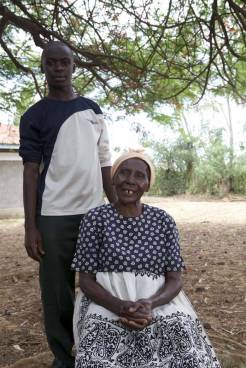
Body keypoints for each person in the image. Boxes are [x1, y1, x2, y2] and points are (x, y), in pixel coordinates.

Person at [71, 150, 221, 368]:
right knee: (97, 351)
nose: (130, 181)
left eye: (140, 175)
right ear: (113, 178)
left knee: (182, 334)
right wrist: (120, 306)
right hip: (106, 299)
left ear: (148, 184)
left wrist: (150, 304)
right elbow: (85, 280)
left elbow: (175, 279)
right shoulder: (95, 219)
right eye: (124, 173)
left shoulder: (163, 221)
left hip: (158, 300)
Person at [19, 41, 116, 368]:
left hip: (94, 213)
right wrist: (31, 225)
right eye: (51, 63)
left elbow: (104, 162)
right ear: (43, 67)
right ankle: (64, 357)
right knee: (57, 293)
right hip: (53, 217)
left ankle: (98, 350)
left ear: (75, 67)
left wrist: (115, 208)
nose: (58, 69)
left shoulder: (93, 110)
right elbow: (31, 172)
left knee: (101, 285)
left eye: (64, 63)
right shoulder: (34, 116)